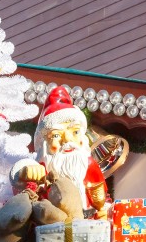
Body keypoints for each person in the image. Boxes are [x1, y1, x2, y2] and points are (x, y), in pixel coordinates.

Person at [9, 85, 109, 220]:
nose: (67, 140)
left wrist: (102, 210)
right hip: (53, 225)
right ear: (45, 144)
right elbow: (22, 186)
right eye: (56, 135)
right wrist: (24, 173)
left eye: (75, 132)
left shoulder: (87, 164)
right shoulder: (43, 169)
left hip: (88, 221)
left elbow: (99, 190)